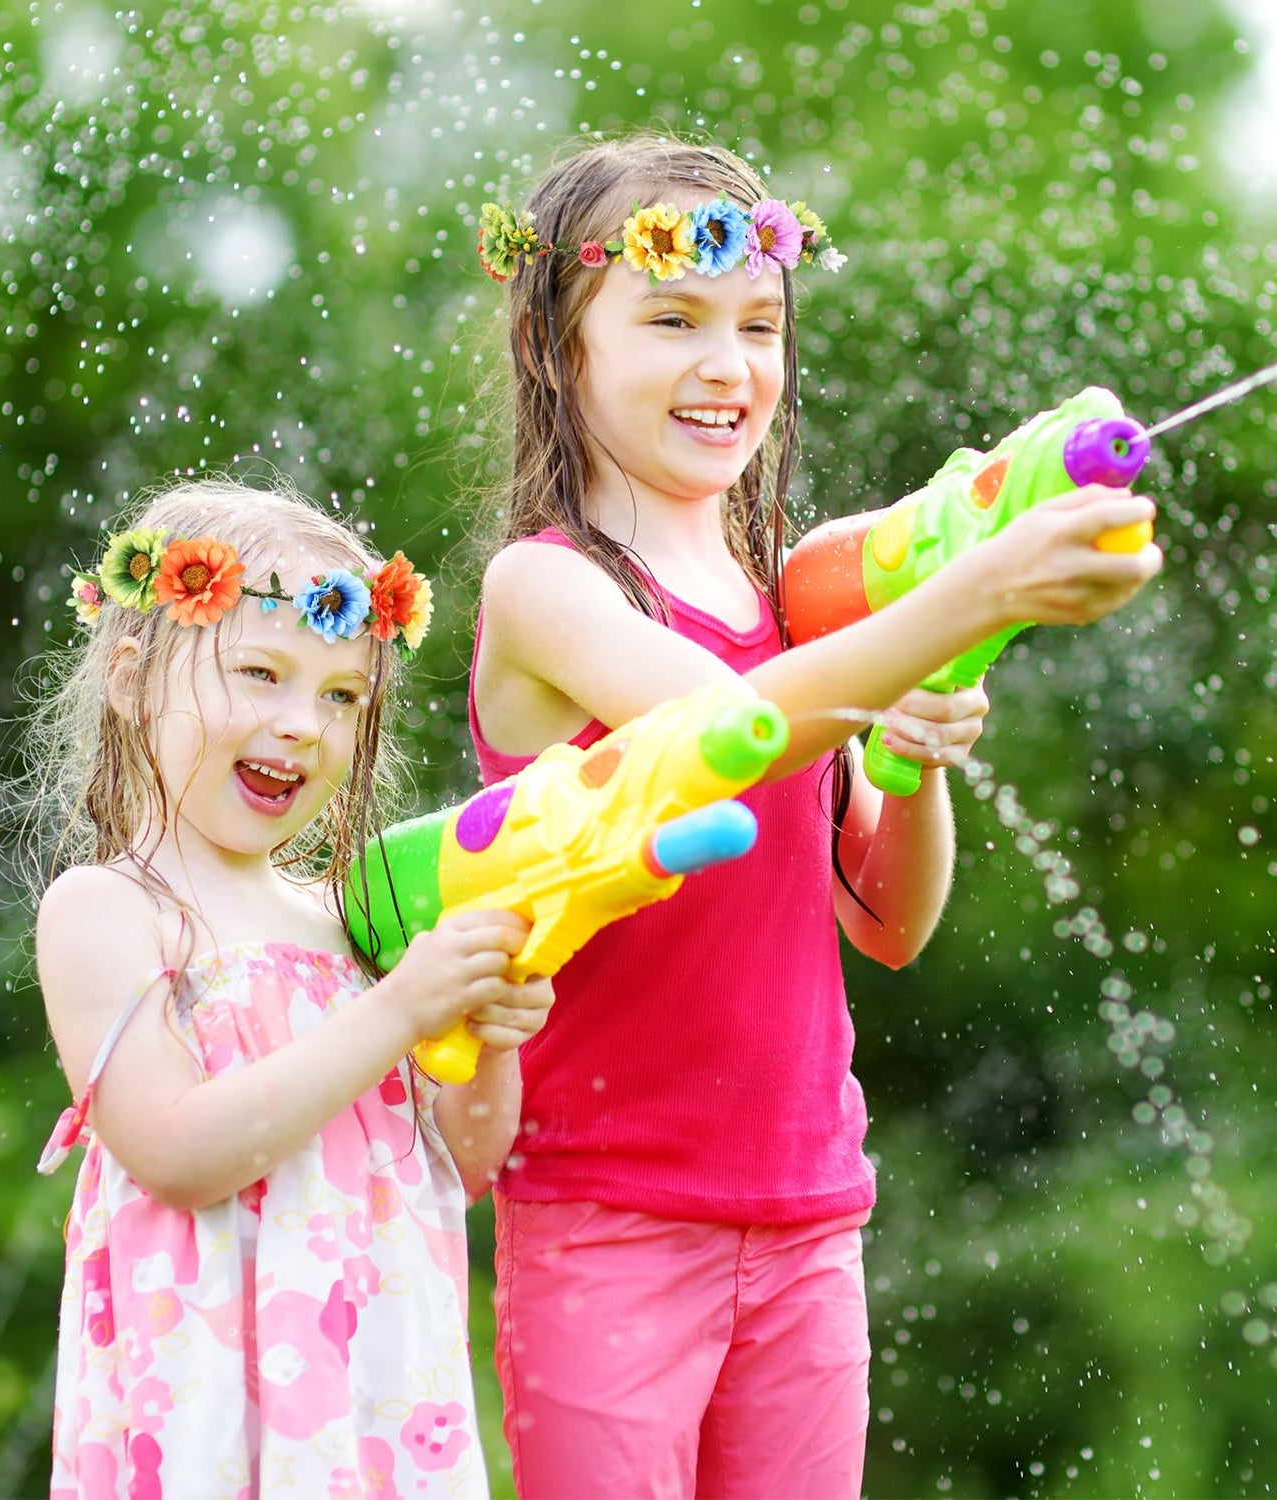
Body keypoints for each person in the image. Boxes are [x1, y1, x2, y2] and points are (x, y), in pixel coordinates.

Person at [467, 135, 1163, 1498]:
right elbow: (727, 735)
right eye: (673, 320)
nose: (727, 364)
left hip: (806, 1216)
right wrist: (961, 604)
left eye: (759, 325)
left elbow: (889, 923)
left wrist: (916, 751)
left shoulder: (796, 605)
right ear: (555, 346)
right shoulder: (546, 592)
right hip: (607, 1213)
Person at [25, 476, 553, 1496]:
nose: (304, 725)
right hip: (214, 1408)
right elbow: (177, 1154)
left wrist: (489, 1035)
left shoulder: (351, 922)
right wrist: (400, 1009)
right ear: (132, 679)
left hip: (375, 1404)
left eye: (341, 696)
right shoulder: (111, 911)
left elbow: (461, 1161)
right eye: (261, 673)